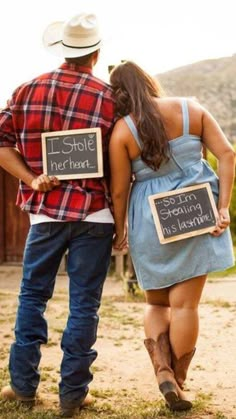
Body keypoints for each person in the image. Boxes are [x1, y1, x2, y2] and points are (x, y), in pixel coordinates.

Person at [0, 13, 115, 417]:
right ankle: (72, 396)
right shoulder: (109, 97)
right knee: (85, 303)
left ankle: (23, 387)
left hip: (45, 213)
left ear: (63, 50)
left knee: (33, 295)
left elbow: (1, 145)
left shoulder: (26, 90)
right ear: (96, 54)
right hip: (95, 215)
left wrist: (32, 180)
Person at [109, 61, 235, 411]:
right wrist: (222, 207)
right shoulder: (190, 108)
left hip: (150, 219)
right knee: (186, 306)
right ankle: (177, 383)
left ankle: (163, 371)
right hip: (197, 212)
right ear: (150, 82)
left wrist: (121, 231)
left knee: (155, 303)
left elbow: (119, 191)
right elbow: (227, 154)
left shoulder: (122, 131)